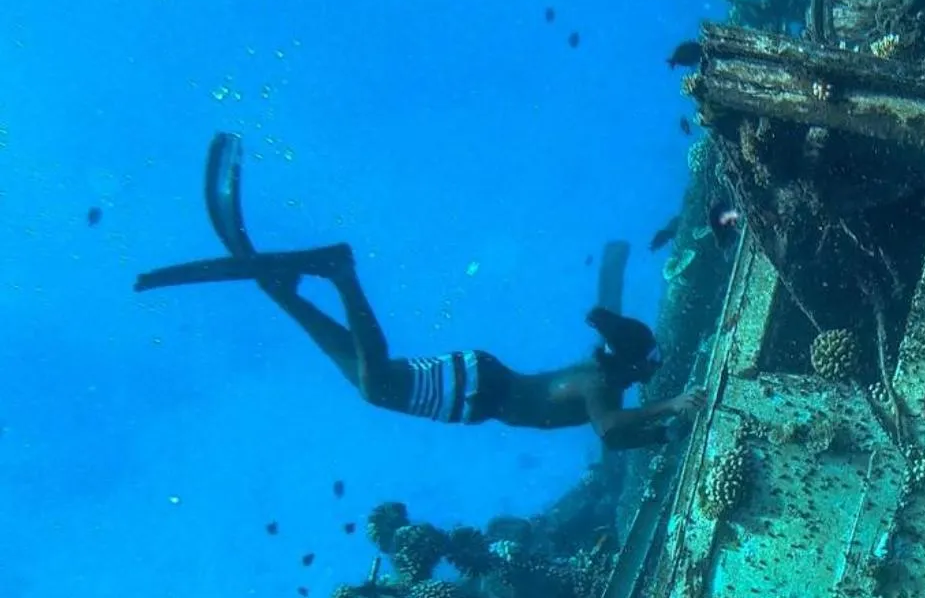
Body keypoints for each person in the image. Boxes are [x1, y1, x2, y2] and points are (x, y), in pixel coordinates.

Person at [134, 134, 701, 448]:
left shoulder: (602, 377)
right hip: (478, 392)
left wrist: (664, 434)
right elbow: (609, 428)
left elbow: (621, 434)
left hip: (481, 382)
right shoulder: (602, 385)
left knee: (361, 373)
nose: (651, 373)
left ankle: (280, 290)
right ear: (628, 366)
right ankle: (341, 271)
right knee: (376, 385)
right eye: (649, 365)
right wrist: (674, 405)